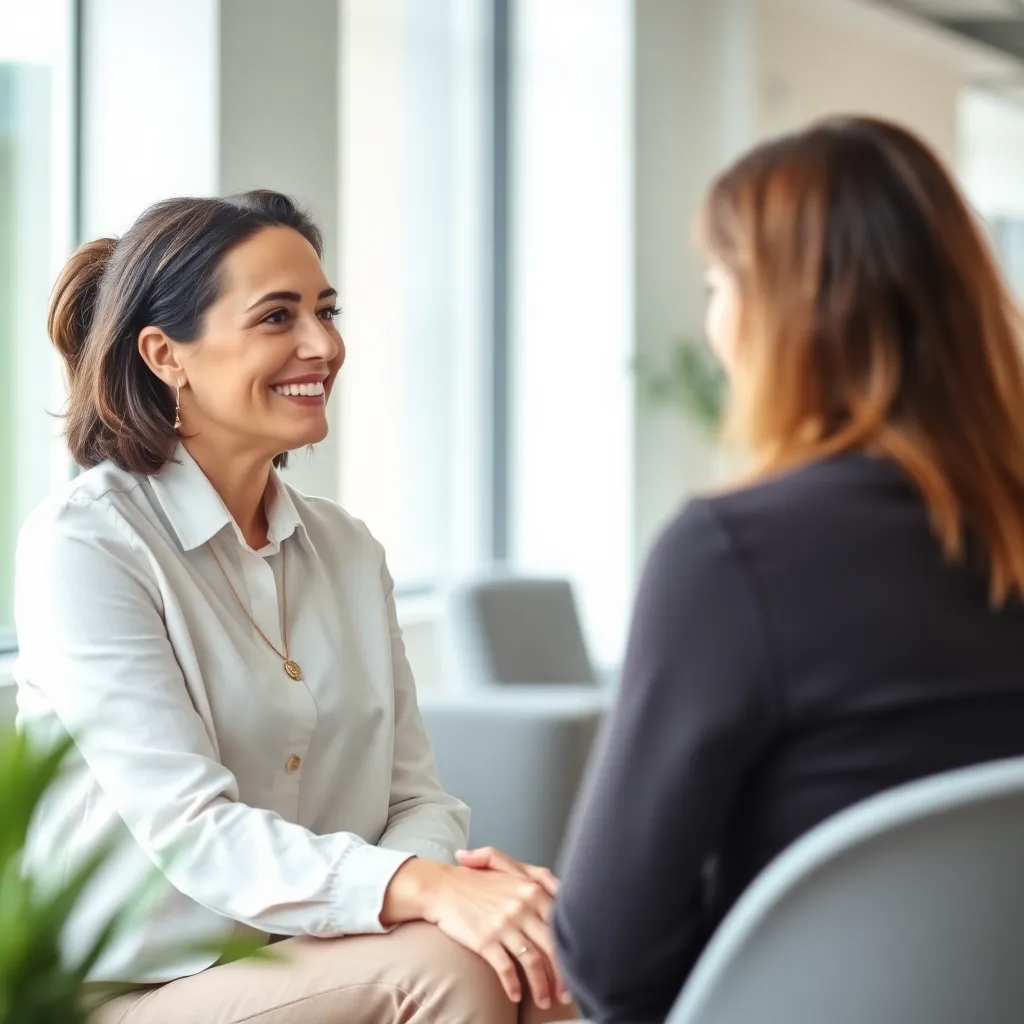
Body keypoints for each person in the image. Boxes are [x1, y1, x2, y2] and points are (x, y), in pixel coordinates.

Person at [13, 190, 576, 1024]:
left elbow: (417, 798)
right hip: (131, 990)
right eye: (278, 317)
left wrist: (432, 895)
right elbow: (191, 829)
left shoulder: (347, 550)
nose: (324, 345)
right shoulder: (88, 545)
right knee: (457, 968)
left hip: (314, 955)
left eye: (325, 310)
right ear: (167, 354)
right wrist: (416, 890)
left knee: (527, 948)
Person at [553, 115, 1024, 1022]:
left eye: (718, 282)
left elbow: (612, 962)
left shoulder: (734, 556)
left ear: (783, 313)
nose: (714, 318)